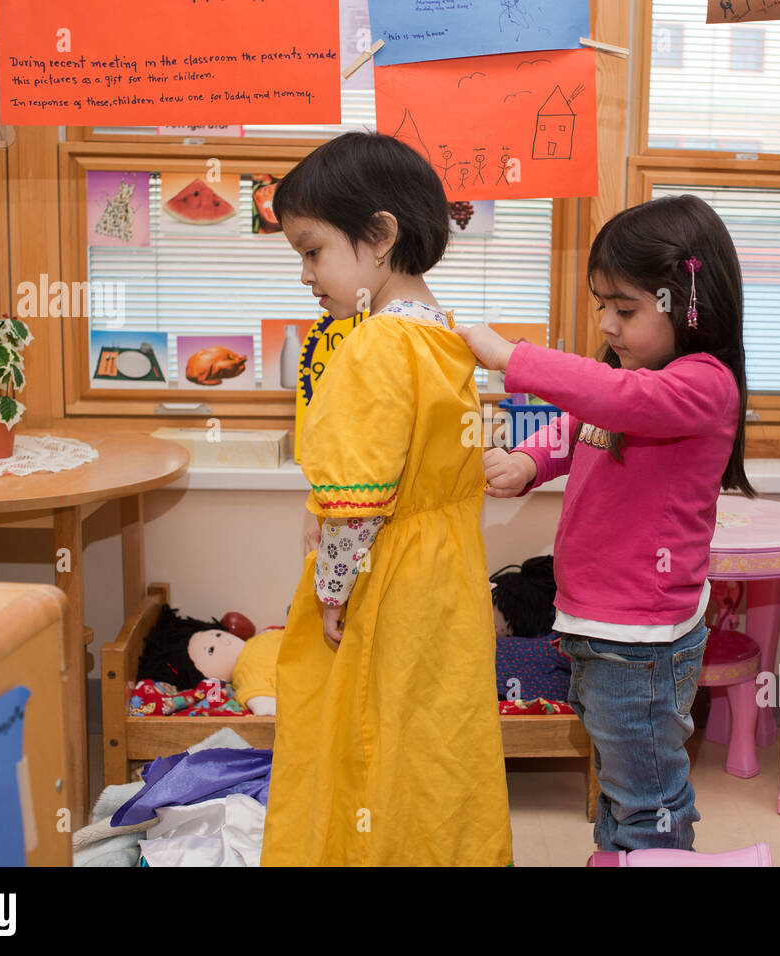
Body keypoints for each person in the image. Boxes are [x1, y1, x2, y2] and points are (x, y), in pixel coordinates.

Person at [456, 194, 754, 852]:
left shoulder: (703, 384)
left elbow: (611, 397)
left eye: (625, 308)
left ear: (687, 303)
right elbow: (585, 423)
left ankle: (649, 856)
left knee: (647, 792)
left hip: (641, 636)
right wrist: (529, 461)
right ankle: (618, 855)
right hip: (597, 623)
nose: (608, 324)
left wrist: (513, 357)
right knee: (621, 777)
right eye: (601, 305)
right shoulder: (636, 375)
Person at [260, 132, 512, 866]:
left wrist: (332, 591)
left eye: (313, 252)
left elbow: (357, 504)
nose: (306, 275)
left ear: (379, 235)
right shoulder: (443, 336)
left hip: (389, 577)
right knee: (433, 738)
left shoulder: (374, 346)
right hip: (447, 573)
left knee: (364, 738)